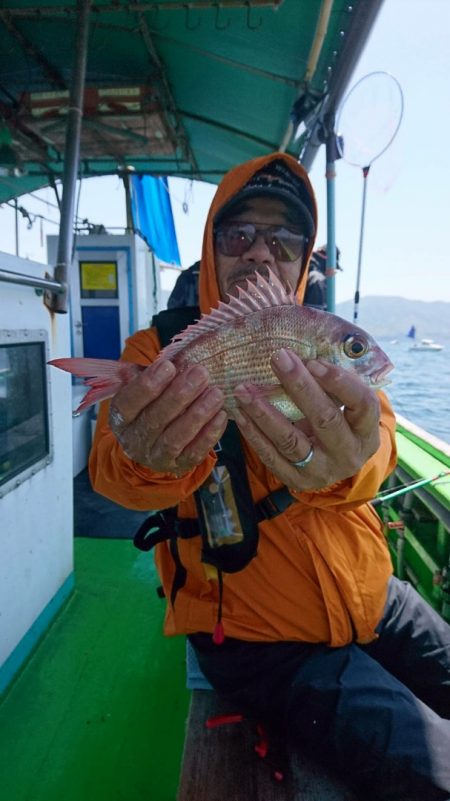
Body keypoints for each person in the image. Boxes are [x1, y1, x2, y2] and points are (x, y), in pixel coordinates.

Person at [89, 152, 450, 801]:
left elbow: (383, 439)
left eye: (284, 239)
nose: (261, 253)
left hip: (374, 594)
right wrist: (149, 456)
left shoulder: (324, 338)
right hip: (260, 638)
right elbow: (112, 467)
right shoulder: (158, 349)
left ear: (304, 259)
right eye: (240, 234)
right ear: (212, 245)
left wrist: (353, 461)